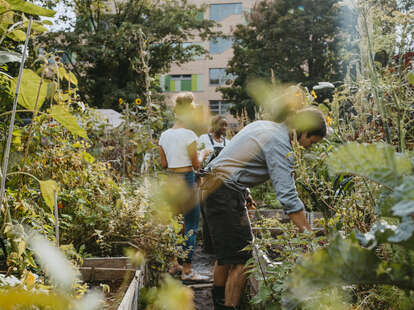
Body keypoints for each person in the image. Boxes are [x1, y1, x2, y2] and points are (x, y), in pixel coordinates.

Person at [201, 107, 327, 309]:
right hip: (224, 193)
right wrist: (310, 238)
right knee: (243, 259)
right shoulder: (280, 144)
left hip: (213, 187)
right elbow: (288, 197)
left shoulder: (266, 127)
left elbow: (234, 157)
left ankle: (218, 304)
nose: (308, 147)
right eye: (311, 142)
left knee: (225, 257)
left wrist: (245, 192)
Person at [159, 92, 207, 281]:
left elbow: (164, 164)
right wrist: (203, 153)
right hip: (186, 179)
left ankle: (173, 264)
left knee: (173, 224)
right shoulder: (189, 135)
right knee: (191, 225)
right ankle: (187, 270)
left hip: (171, 180)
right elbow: (197, 165)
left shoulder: (164, 135)